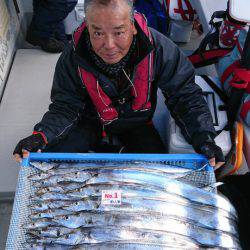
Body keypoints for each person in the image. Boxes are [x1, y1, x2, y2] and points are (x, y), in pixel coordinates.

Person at [14, 0, 225, 169]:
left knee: (157, 171)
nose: (109, 45)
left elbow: (185, 95)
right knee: (51, 165)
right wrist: (41, 135)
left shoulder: (161, 48)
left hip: (136, 123)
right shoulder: (71, 56)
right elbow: (65, 106)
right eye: (97, 32)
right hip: (88, 121)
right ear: (86, 28)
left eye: (118, 32)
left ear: (132, 27)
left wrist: (204, 138)